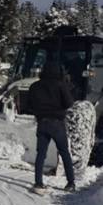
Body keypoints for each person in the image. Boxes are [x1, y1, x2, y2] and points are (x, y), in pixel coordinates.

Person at [28, 61, 76, 193]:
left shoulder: (34, 86)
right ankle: (70, 183)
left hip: (42, 123)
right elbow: (69, 103)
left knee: (41, 154)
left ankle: (38, 183)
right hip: (57, 124)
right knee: (64, 152)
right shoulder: (61, 85)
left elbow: (29, 105)